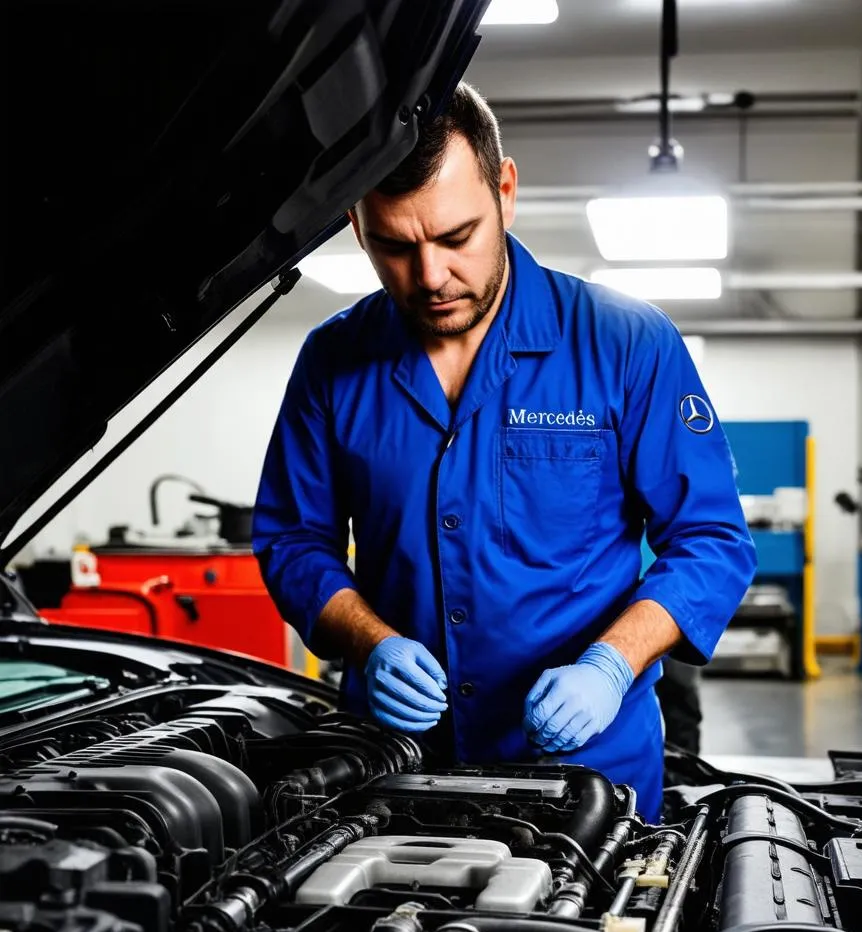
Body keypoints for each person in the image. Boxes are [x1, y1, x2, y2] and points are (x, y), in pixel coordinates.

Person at [252, 83, 755, 822]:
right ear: (357, 225)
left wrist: (611, 667)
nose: (429, 277)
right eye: (394, 245)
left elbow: (712, 540)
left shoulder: (626, 344)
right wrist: (369, 643)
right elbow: (293, 540)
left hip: (586, 777)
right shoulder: (333, 360)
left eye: (456, 237)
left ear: (505, 191)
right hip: (395, 766)